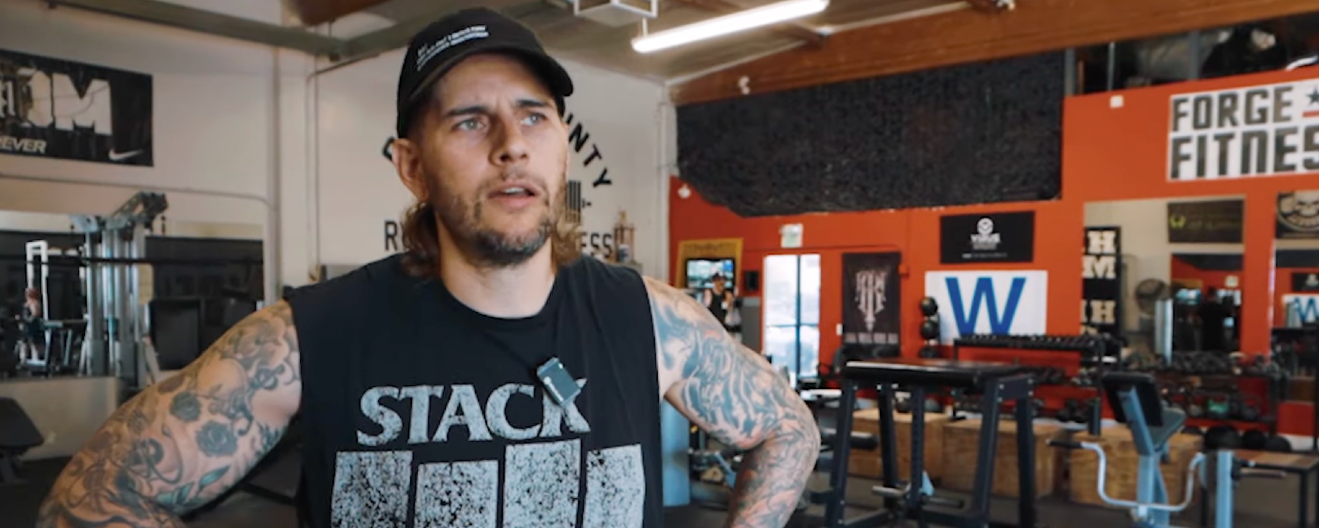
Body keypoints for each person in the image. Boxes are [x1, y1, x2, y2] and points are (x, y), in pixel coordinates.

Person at [37, 8, 818, 528]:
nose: (511, 142)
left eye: (534, 116)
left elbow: (787, 428)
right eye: (471, 120)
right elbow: (89, 495)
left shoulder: (649, 320)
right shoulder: (311, 336)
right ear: (412, 166)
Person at [1196, 287, 1230, 352]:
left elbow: (1197, 317)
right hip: (1218, 333)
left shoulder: (1203, 307)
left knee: (1206, 350)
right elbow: (1229, 314)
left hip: (1206, 333)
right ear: (1215, 296)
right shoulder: (1220, 307)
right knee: (1218, 351)